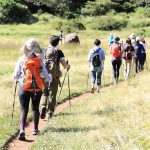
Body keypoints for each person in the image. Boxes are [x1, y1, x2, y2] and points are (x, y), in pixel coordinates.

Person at [13, 38, 51, 141]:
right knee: (35, 108)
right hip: (37, 87)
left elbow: (15, 74)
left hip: (24, 87)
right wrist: (48, 80)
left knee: (23, 109)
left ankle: (22, 130)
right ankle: (35, 129)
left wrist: (17, 80)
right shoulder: (40, 60)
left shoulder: (22, 59)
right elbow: (47, 75)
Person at [40, 35, 70, 119]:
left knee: (44, 92)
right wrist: (68, 66)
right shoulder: (59, 52)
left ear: (49, 41)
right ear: (57, 43)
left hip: (44, 75)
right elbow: (64, 65)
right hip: (54, 76)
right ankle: (50, 113)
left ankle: (42, 106)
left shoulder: (44, 50)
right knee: (52, 94)